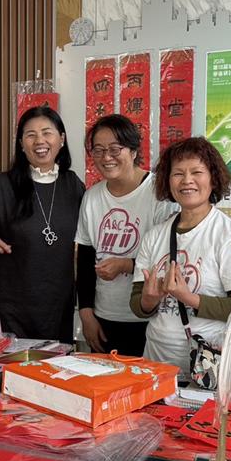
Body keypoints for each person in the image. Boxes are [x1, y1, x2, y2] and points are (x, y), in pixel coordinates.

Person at [129, 137, 231, 375]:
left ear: (213, 178)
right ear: (167, 181)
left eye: (197, 172)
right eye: (178, 173)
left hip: (210, 364)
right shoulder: (154, 235)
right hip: (155, 361)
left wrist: (188, 298)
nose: (187, 180)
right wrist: (149, 300)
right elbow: (138, 305)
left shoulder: (230, 235)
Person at [0, 106, 85, 343]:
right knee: (16, 365)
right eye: (30, 135)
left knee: (58, 364)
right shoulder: (4, 185)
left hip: (59, 305)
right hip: (14, 308)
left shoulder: (73, 185)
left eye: (47, 133)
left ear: (61, 139)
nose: (40, 141)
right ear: (21, 144)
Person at [76, 115, 177, 355]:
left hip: (150, 316)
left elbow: (170, 259)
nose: (106, 157)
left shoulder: (159, 194)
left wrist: (126, 265)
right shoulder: (91, 197)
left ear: (133, 150)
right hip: (103, 317)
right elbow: (85, 259)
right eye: (98, 150)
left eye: (114, 149)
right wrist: (86, 314)